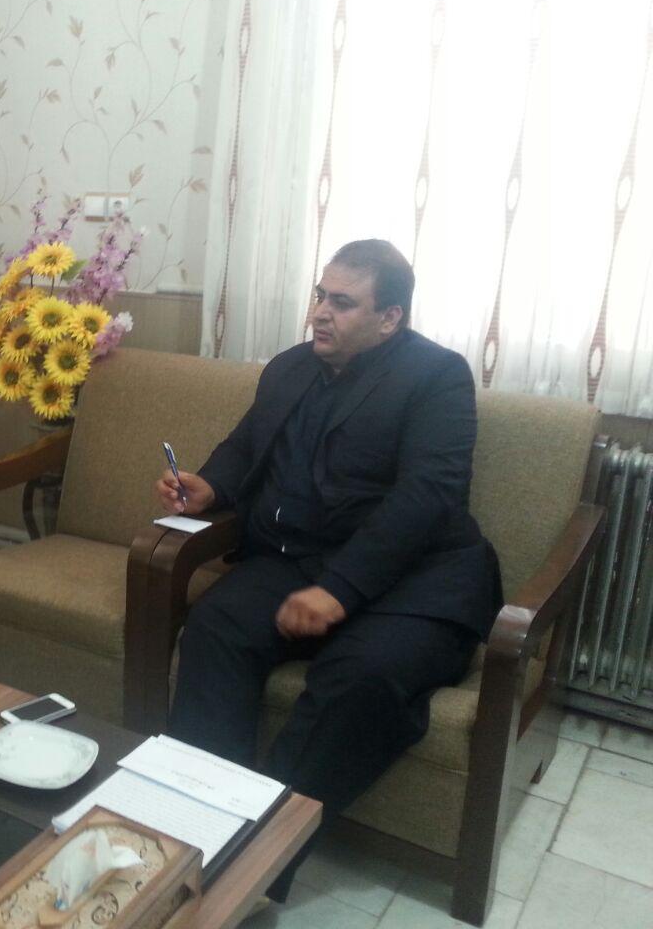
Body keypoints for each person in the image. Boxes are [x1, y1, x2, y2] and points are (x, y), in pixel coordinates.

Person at [157, 239, 501, 901]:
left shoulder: (437, 376)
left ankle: (256, 866)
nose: (320, 312)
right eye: (320, 295)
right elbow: (246, 446)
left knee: (361, 678)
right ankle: (200, 824)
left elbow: (427, 497)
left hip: (416, 578)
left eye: (342, 303)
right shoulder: (289, 368)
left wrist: (340, 590)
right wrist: (211, 487)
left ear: (390, 318)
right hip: (300, 561)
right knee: (216, 628)